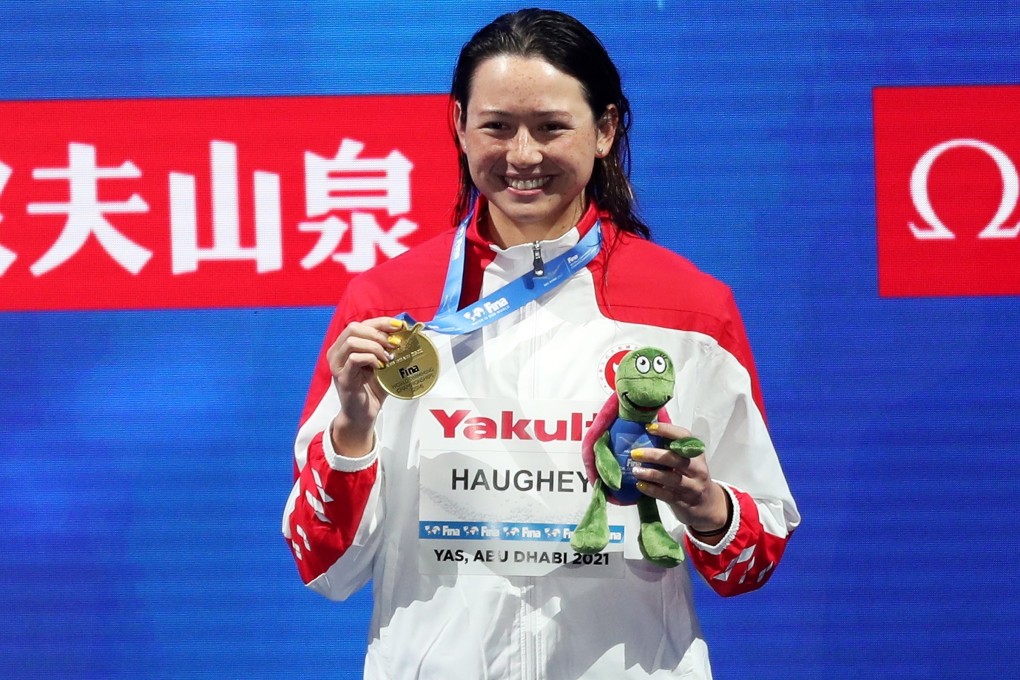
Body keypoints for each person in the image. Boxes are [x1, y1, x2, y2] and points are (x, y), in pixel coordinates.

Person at [283, 8, 799, 679]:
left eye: (551, 127)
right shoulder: (387, 306)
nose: (522, 155)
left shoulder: (691, 308)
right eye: (496, 126)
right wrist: (353, 430)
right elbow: (323, 565)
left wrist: (707, 507)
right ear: (461, 128)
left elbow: (751, 562)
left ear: (605, 129)